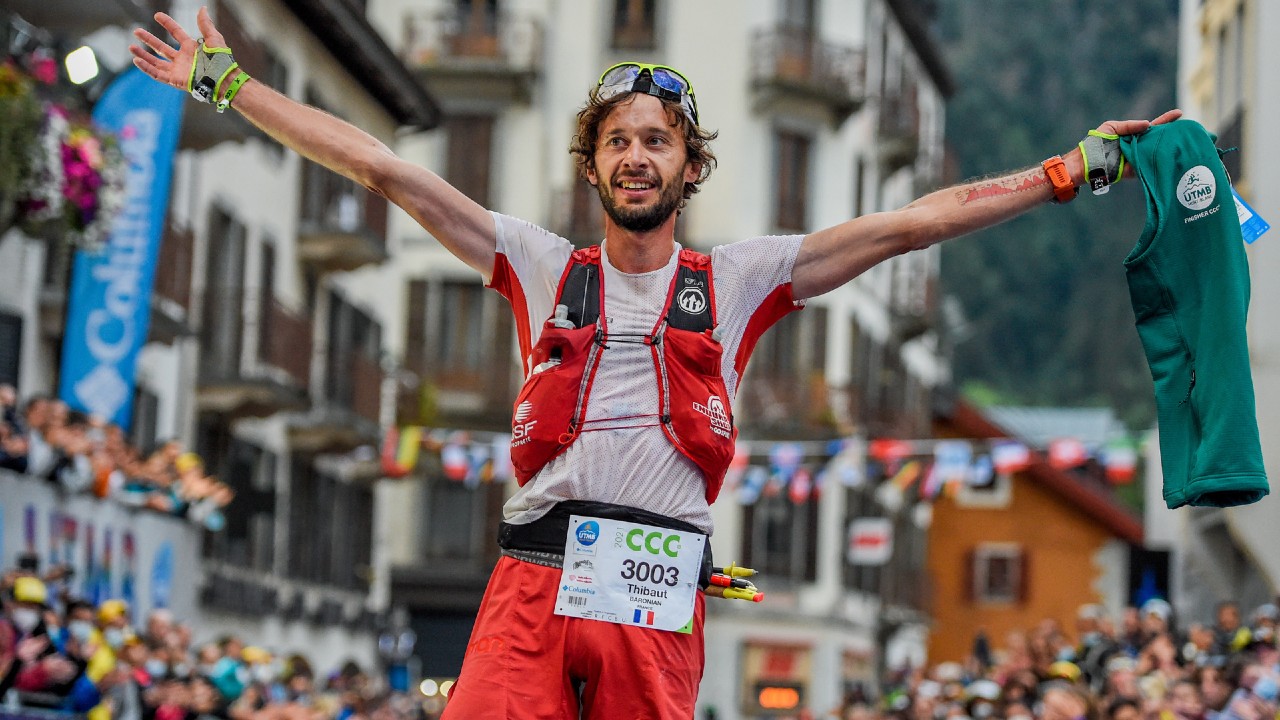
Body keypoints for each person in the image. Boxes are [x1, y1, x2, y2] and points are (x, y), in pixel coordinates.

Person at [130, 8, 1180, 718]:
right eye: (618, 140)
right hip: (531, 580)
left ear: (687, 163)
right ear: (591, 163)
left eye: (657, 140)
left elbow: (909, 224)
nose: (637, 155)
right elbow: (380, 165)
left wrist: (1066, 169)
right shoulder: (536, 261)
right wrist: (228, 83)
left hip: (653, 590)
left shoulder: (738, 278)